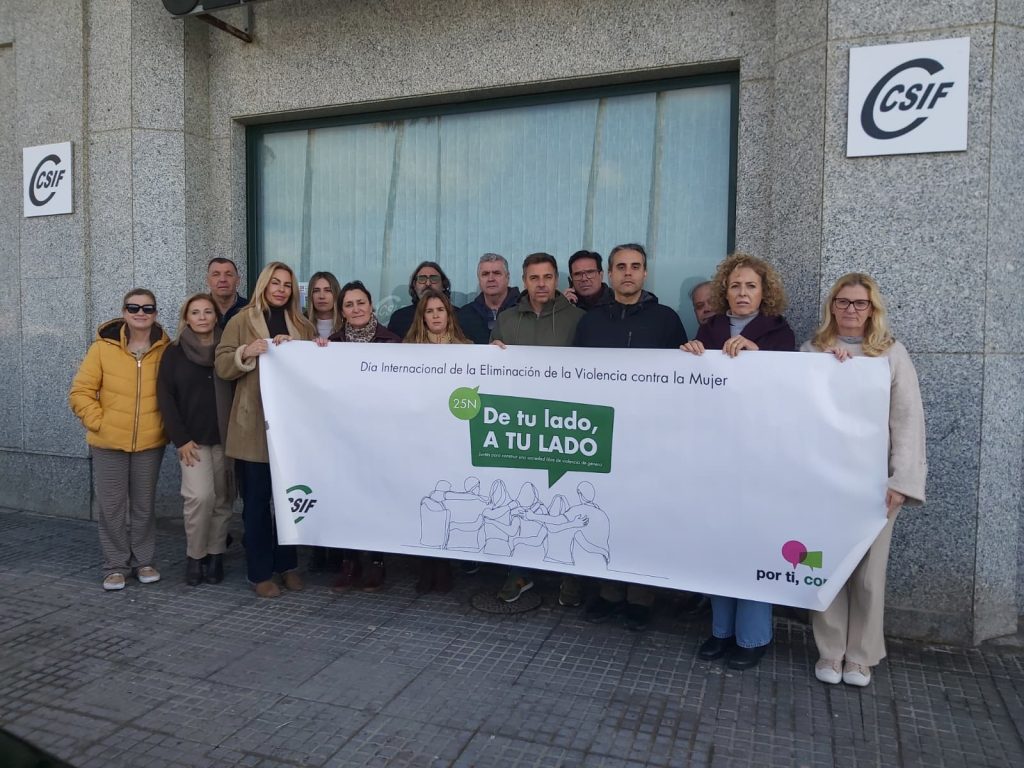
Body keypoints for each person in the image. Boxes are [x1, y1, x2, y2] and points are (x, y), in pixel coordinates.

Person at [803, 273, 926, 688]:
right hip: (825, 480)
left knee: (870, 573)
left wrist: (902, 480)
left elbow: (907, 421)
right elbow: (800, 411)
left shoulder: (891, 353)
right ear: (832, 306)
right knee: (826, 566)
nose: (850, 310)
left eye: (859, 303)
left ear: (872, 309)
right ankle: (830, 649)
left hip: (876, 484)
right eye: (843, 302)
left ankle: (861, 655)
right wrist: (828, 370)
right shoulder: (812, 350)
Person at [680, 252, 795, 670]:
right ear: (724, 291)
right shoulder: (709, 329)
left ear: (764, 292)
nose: (742, 293)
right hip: (715, 455)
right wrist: (690, 354)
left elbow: (789, 389)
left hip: (759, 456)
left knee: (752, 543)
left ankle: (753, 637)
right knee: (718, 542)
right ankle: (721, 631)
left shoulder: (779, 332)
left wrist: (757, 353)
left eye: (750, 286)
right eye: (735, 286)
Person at [574, 243, 687, 629]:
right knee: (605, 511)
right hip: (600, 431)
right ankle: (608, 592)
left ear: (645, 273)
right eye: (620, 266)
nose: (628, 273)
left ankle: (640, 596)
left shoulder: (666, 320)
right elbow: (572, 374)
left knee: (640, 514)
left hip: (648, 435)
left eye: (635, 266)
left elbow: (681, 377)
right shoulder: (590, 322)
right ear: (609, 273)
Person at [216, 261, 321, 598]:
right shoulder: (241, 320)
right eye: (275, 282)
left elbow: (314, 371)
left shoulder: (302, 324)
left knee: (290, 503)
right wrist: (247, 351)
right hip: (253, 427)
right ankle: (260, 572)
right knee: (257, 503)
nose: (280, 289)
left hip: (291, 430)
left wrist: (311, 349)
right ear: (264, 284)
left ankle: (287, 565)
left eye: (287, 285)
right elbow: (222, 364)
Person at [491, 253, 584, 602]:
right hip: (520, 423)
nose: (541, 284)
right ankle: (519, 573)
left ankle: (571, 575)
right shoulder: (507, 319)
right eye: (534, 278)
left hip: (564, 424)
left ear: (557, 279)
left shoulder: (579, 319)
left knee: (565, 500)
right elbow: (492, 368)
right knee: (521, 498)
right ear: (524, 281)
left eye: (547, 277)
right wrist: (492, 353)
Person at [69, 289, 170, 591]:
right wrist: (99, 423)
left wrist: (164, 427)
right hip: (108, 443)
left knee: (143, 506)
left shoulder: (166, 350)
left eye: (147, 308)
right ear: (124, 312)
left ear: (155, 313)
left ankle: (144, 561)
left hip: (150, 443)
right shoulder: (102, 348)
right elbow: (81, 392)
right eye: (133, 307)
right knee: (112, 506)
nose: (141, 313)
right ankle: (115, 566)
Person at [157, 293, 234, 586]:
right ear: (186, 318)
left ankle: (216, 556)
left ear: (216, 316)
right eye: (195, 312)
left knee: (222, 500)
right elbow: (166, 398)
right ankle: (196, 555)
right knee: (200, 498)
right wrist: (180, 439)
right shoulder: (174, 352)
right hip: (192, 441)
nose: (202, 317)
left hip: (225, 438)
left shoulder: (227, 348)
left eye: (207, 312)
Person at [329, 280, 401, 591]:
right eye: (349, 304)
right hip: (343, 435)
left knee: (375, 496)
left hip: (380, 434)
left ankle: (376, 561)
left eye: (361, 302)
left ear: (371, 306)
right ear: (342, 311)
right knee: (346, 496)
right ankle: (349, 561)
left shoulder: (391, 342)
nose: (356, 308)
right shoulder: (331, 344)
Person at [404, 288, 470, 592]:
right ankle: (424, 565)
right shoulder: (407, 352)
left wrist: (496, 351)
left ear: (448, 313)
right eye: (429, 311)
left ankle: (444, 565)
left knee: (446, 501)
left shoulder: (468, 349)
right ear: (422, 317)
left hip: (453, 438)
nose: (435, 316)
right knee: (423, 499)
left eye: (440, 310)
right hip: (419, 437)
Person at [304, 270, 344, 574]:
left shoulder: (346, 327)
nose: (321, 295)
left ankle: (339, 548)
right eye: (316, 290)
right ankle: (317, 546)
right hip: (311, 418)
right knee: (315, 479)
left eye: (327, 289)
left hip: (341, 418)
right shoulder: (300, 327)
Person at [456, 253, 520, 344]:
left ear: (507, 277)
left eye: (497, 273)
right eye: (485, 274)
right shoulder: (464, 315)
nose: (491, 279)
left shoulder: (524, 310)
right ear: (479, 279)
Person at [387, 261, 454, 339]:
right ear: (414, 285)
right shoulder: (399, 318)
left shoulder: (458, 316)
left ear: (443, 285)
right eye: (422, 279)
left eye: (434, 278)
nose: (428, 283)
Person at [206, 257, 247, 328]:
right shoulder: (197, 311)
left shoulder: (251, 309)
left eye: (229, 275)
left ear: (237, 280)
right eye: (216, 274)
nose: (223, 279)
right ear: (208, 281)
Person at [306, 271, 344, 340]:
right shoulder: (300, 324)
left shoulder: (348, 325)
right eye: (316, 291)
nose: (322, 296)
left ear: (336, 293)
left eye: (328, 290)